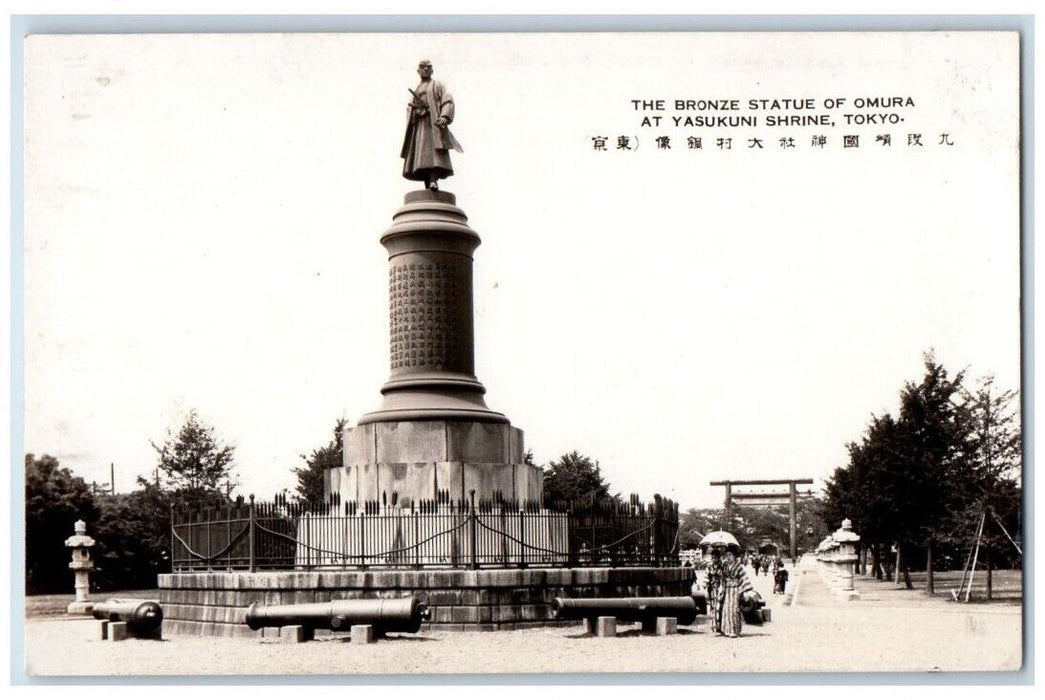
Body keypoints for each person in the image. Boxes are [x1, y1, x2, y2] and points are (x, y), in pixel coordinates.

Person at [401, 60, 463, 190]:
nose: (425, 69)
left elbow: (447, 100)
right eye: (422, 67)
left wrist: (444, 116)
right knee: (420, 156)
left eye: (428, 67)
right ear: (418, 71)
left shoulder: (437, 85)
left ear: (432, 70)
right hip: (420, 126)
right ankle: (428, 184)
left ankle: (434, 180)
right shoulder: (417, 89)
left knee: (434, 154)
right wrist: (415, 113)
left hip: (432, 125)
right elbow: (409, 109)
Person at [705, 543, 757, 638]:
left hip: (735, 590)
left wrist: (743, 591)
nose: (728, 558)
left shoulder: (738, 567)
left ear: (734, 556)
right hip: (726, 589)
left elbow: (744, 578)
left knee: (733, 609)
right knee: (725, 609)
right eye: (727, 555)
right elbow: (720, 576)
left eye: (730, 555)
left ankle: (734, 630)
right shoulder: (724, 566)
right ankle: (726, 630)